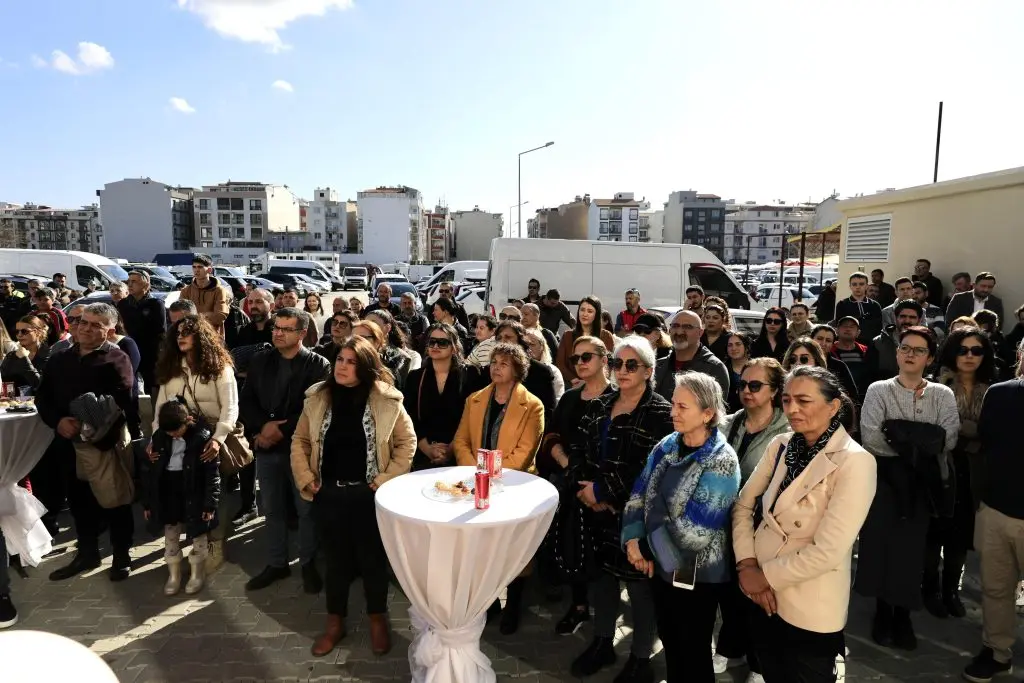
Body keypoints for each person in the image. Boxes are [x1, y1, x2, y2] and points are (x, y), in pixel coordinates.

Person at [733, 366, 875, 683]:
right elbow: (743, 505)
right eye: (786, 400)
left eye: (803, 400)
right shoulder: (780, 446)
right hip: (759, 595)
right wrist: (746, 565)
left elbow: (828, 551)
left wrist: (763, 576)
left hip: (808, 604)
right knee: (771, 672)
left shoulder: (855, 461)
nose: (792, 409)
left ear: (834, 406)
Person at [291, 335, 415, 658]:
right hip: (329, 493)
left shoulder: (386, 400)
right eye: (340, 360)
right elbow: (300, 441)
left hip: (369, 496)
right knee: (335, 562)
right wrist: (306, 478)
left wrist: (385, 480)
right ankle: (335, 622)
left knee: (372, 561)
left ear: (365, 367)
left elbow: (407, 443)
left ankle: (377, 620)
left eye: (351, 362)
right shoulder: (318, 397)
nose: (342, 367)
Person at [619, 370, 739, 683]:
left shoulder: (722, 459)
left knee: (694, 651)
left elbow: (695, 531)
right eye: (673, 404)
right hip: (660, 568)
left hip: (698, 575)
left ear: (708, 413)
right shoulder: (667, 444)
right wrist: (632, 539)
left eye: (682, 407)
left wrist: (645, 547)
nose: (673, 412)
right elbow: (639, 492)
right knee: (671, 641)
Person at [569, 337, 674, 681]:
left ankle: (641, 657)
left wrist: (604, 491)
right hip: (596, 512)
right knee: (602, 581)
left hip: (637, 518)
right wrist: (587, 490)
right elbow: (579, 449)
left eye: (632, 365)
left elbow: (650, 469)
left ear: (648, 370)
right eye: (617, 364)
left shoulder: (660, 413)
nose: (622, 371)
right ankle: (602, 642)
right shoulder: (600, 404)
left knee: (641, 590)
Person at [856, 326, 959, 651]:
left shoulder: (942, 395)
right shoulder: (878, 389)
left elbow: (948, 437)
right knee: (881, 547)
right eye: (905, 348)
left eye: (918, 349)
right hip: (884, 483)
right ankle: (883, 612)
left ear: (929, 357)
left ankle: (903, 615)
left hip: (923, 487)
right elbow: (872, 436)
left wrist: (898, 431)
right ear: (898, 352)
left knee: (912, 553)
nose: (910, 354)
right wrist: (920, 440)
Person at [36, 303, 139, 582]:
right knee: (79, 500)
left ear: (110, 330)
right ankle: (87, 552)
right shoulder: (59, 359)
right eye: (83, 322)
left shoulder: (116, 359)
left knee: (114, 500)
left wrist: (87, 424)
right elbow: (42, 397)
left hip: (103, 444)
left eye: (96, 324)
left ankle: (121, 556)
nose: (86, 328)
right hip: (67, 443)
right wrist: (58, 421)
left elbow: (123, 400)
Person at [453, 341, 545, 634]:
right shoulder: (475, 400)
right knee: (482, 549)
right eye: (494, 362)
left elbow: (526, 450)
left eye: (504, 363)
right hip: (476, 484)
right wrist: (476, 472)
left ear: (517, 370)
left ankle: (514, 604)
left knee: (514, 550)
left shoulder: (532, 404)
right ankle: (489, 601)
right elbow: (461, 441)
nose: (496, 367)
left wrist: (495, 476)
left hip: (514, 486)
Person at [239, 307, 331, 593]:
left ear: (302, 333)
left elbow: (315, 409)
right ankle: (277, 564)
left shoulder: (318, 365)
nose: (277, 333)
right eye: (276, 327)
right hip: (266, 450)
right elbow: (247, 401)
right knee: (273, 509)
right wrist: (261, 429)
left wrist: (280, 429)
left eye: (285, 329)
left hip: (301, 449)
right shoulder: (260, 360)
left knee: (306, 510)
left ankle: (308, 564)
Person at [714, 358, 790, 679]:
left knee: (759, 601)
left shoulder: (787, 432)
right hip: (723, 525)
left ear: (774, 391)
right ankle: (729, 649)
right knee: (728, 595)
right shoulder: (728, 423)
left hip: (763, 528)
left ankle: (759, 663)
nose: (746, 391)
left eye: (756, 385)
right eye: (743, 384)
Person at [537, 335, 612, 635]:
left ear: (604, 360)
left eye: (586, 357)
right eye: (575, 359)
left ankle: (605, 617)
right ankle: (578, 605)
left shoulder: (615, 399)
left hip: (601, 488)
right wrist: (567, 462)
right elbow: (552, 436)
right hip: (568, 484)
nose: (579, 363)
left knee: (601, 555)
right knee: (572, 547)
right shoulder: (569, 398)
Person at [152, 314, 239, 574]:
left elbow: (230, 409)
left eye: (187, 332)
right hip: (178, 442)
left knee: (211, 495)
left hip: (211, 439)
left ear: (200, 336)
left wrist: (218, 438)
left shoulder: (220, 368)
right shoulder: (171, 368)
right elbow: (159, 409)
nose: (180, 336)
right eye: (177, 332)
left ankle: (211, 550)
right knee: (182, 497)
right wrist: (156, 439)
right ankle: (180, 555)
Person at [960, 338, 1024, 682]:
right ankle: (997, 652)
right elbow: (987, 441)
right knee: (996, 589)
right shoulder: (999, 393)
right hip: (997, 510)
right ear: (1020, 356)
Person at [924, 328, 995, 619]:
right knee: (934, 532)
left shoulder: (992, 389)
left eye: (976, 350)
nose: (969, 356)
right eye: (963, 350)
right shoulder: (936, 386)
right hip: (939, 468)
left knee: (960, 536)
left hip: (974, 473)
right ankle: (929, 589)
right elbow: (936, 430)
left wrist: (961, 430)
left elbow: (992, 434)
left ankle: (951, 590)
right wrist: (972, 434)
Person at [142, 400, 220, 596]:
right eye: (169, 433)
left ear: (188, 421)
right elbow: (151, 474)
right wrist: (148, 503)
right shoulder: (160, 438)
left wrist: (210, 504)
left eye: (176, 431)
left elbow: (212, 474)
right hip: (169, 491)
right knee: (171, 530)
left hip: (194, 490)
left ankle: (197, 573)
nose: (173, 435)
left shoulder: (201, 438)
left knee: (198, 532)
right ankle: (174, 574)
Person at [403, 323, 477, 471]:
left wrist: (451, 448)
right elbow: (409, 417)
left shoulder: (470, 375)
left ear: (454, 347)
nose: (436, 345)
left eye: (442, 342)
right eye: (432, 341)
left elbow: (473, 417)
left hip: (461, 453)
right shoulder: (415, 377)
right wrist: (428, 449)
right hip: (423, 452)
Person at [653, 309, 730, 402]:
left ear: (700, 333)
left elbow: (715, 412)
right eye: (675, 326)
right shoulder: (658, 366)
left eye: (687, 327)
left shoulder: (714, 368)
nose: (679, 332)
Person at [490, 321, 558, 423]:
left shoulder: (541, 372)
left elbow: (547, 412)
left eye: (508, 337)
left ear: (520, 341)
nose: (502, 341)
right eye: (499, 338)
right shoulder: (490, 370)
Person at [117, 270, 167, 403]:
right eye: (129, 282)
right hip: (130, 351)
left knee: (153, 387)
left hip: (151, 353)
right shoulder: (123, 304)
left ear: (145, 284)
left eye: (134, 281)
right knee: (129, 385)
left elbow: (161, 331)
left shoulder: (156, 304)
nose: (130, 285)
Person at [555, 296, 616, 386]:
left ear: (597, 314)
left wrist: (591, 382)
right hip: (572, 384)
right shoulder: (567, 335)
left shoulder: (606, 336)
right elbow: (560, 363)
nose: (585, 314)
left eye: (590, 311)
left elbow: (608, 365)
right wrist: (574, 380)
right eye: (582, 310)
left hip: (598, 384)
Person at [866, 300, 923, 385]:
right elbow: (869, 374)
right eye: (903, 316)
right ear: (896, 318)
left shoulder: (927, 344)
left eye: (912, 317)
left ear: (919, 320)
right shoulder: (878, 343)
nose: (907, 320)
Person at [352, 319, 411, 391]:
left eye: (363, 338)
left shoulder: (390, 368)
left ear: (377, 341)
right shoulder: (342, 362)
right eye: (354, 338)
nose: (358, 341)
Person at [179, 254, 231, 335]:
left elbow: (220, 317)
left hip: (213, 337)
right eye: (194, 267)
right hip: (191, 336)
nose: (196, 270)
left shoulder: (219, 291)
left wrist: (194, 316)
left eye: (200, 267)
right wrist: (208, 314)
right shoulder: (186, 291)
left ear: (209, 270)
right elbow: (181, 316)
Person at [809, 324, 859, 401]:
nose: (823, 343)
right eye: (820, 338)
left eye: (828, 340)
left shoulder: (839, 366)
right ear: (811, 339)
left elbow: (852, 394)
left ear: (832, 344)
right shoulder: (800, 360)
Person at [0, 315, 50, 390]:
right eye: (17, 331)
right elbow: (3, 383)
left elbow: (41, 386)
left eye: (24, 331)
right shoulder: (11, 356)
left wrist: (24, 359)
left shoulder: (49, 354)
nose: (19, 335)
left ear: (37, 332)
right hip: (13, 401)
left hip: (38, 401)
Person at [366, 309, 420, 375]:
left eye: (373, 323)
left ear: (388, 327)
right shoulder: (359, 350)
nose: (368, 327)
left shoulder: (404, 356)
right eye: (366, 323)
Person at [834, 272, 883, 344]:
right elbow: (840, 327)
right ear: (850, 286)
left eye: (861, 284)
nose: (858, 287)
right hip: (849, 344)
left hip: (871, 344)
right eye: (854, 284)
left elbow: (879, 328)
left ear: (866, 286)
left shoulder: (875, 305)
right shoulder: (842, 304)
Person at [829, 317, 870, 400]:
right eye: (844, 326)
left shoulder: (867, 351)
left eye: (852, 327)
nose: (848, 329)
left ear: (858, 332)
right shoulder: (829, 351)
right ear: (836, 331)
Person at [524, 327, 564, 400]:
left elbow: (558, 399)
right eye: (525, 344)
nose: (528, 348)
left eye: (532, 344)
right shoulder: (515, 370)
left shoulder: (553, 371)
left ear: (542, 347)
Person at [724, 332, 752, 413]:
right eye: (730, 345)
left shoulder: (756, 368)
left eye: (738, 344)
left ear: (746, 347)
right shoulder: (722, 369)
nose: (733, 348)